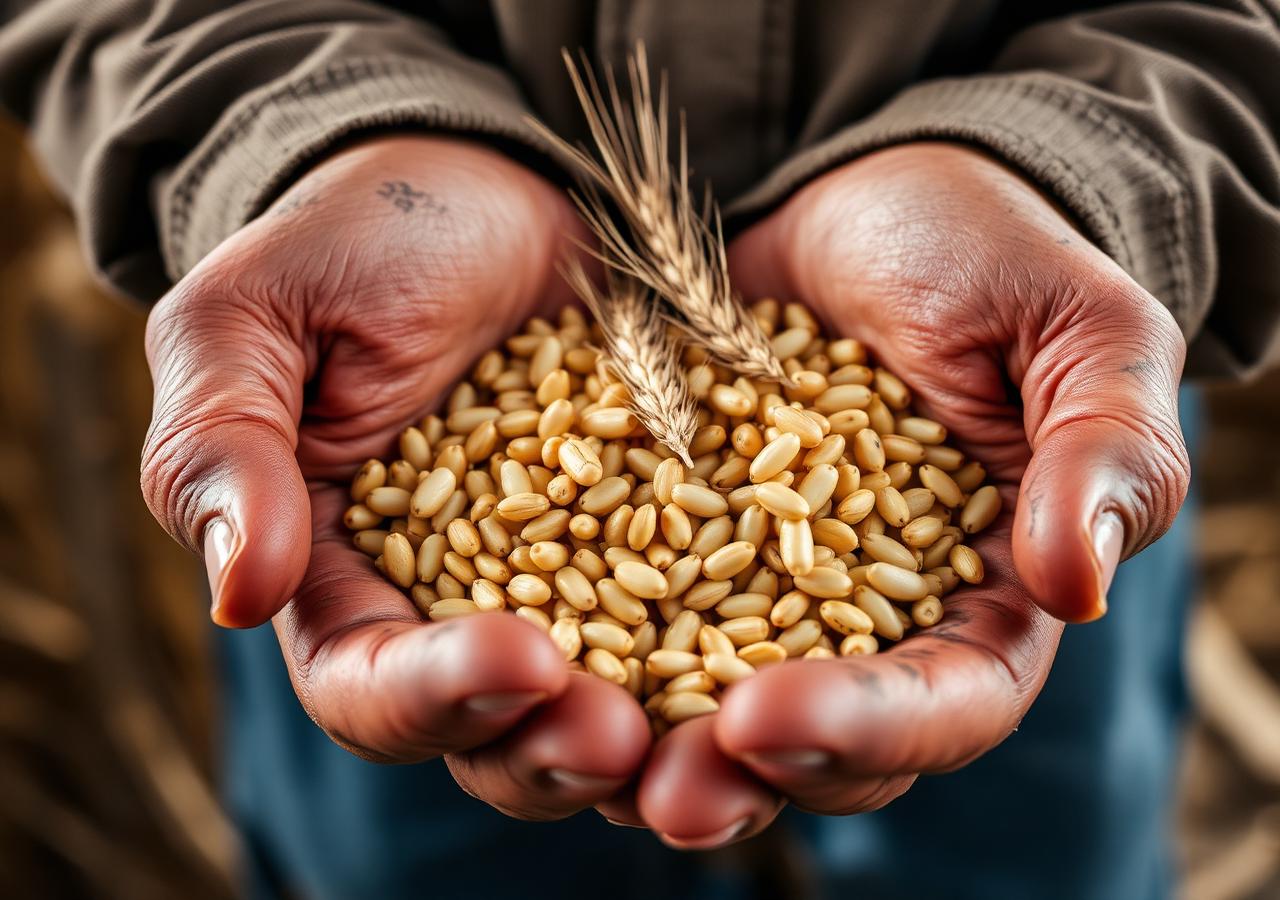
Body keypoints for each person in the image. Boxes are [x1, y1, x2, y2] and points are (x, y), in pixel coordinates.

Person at [2, 2, 1277, 897]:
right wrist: (306, 137)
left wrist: (1085, 178)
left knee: (1024, 856)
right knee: (412, 864)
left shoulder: (936, 482)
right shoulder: (439, 487)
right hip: (374, 414)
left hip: (1013, 411)